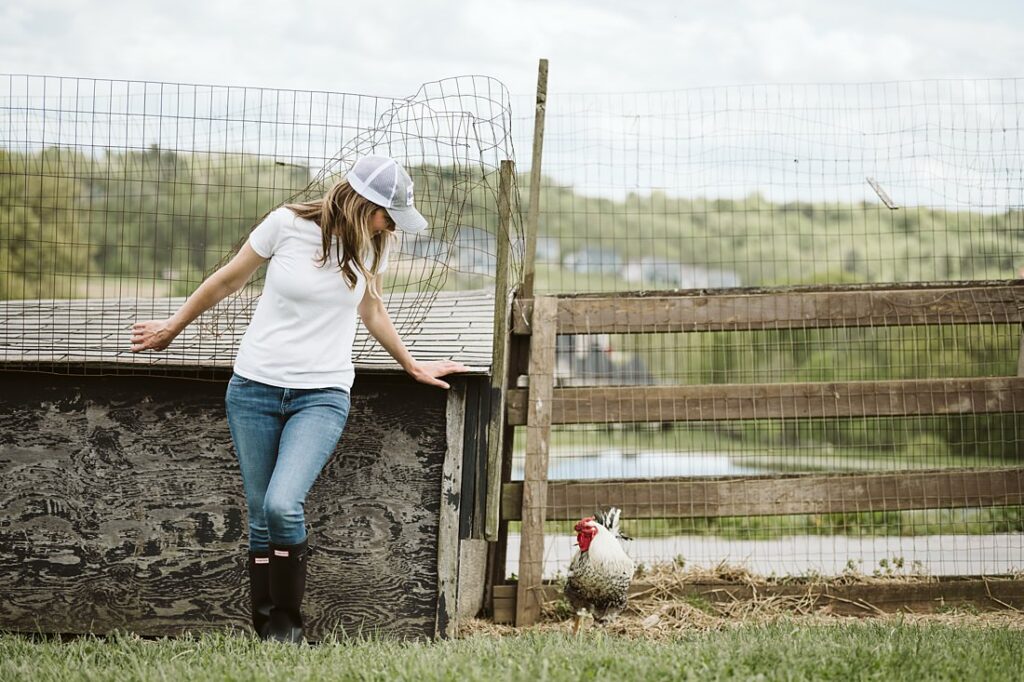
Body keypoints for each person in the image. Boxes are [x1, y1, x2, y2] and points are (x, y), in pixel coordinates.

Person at [130, 155, 468, 644]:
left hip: (322, 394)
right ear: (363, 205)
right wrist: (171, 328)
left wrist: (412, 365)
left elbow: (371, 307)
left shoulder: (375, 247)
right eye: (387, 216)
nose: (391, 228)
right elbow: (228, 278)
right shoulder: (285, 225)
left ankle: (287, 626)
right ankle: (265, 627)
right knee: (259, 514)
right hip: (253, 389)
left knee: (282, 504)